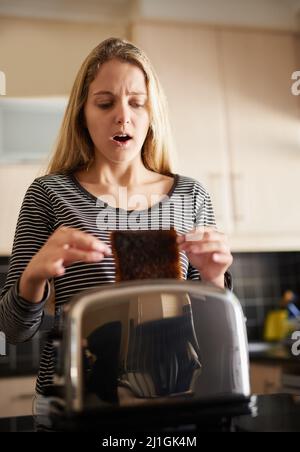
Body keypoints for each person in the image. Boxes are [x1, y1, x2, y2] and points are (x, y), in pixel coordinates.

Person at [0, 37, 233, 407]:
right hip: (75, 403)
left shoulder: (191, 196)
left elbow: (217, 338)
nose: (123, 116)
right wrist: (34, 277)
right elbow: (13, 331)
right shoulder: (49, 194)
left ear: (152, 113)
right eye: (105, 103)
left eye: (137, 103)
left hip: (175, 398)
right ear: (82, 113)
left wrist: (214, 280)